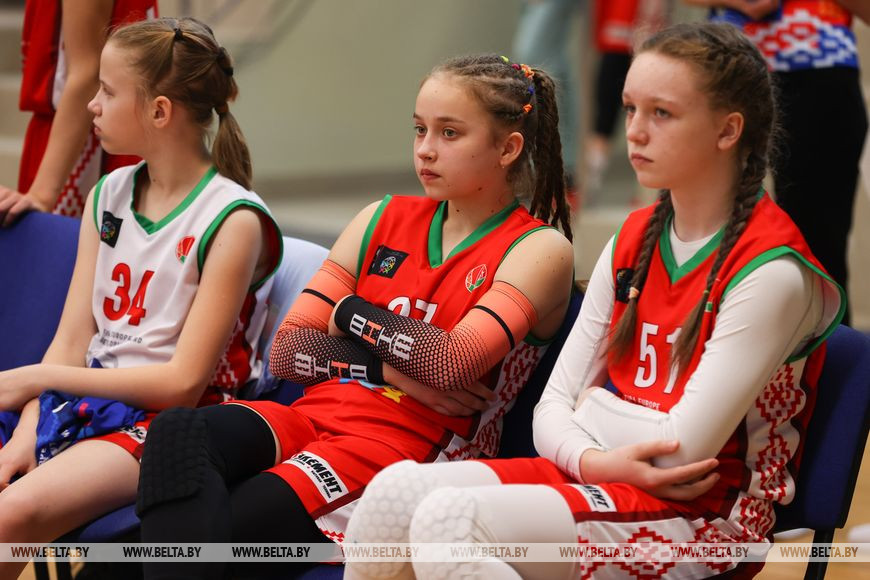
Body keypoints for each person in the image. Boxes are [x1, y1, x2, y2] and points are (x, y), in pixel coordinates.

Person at [344, 22, 844, 580]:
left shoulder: (771, 271)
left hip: (707, 521)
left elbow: (680, 453)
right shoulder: (632, 237)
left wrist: (593, 410)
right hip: (603, 475)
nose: (635, 131)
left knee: (452, 521)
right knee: (393, 495)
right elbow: (550, 410)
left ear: (728, 130)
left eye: (662, 113)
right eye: (630, 108)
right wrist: (597, 453)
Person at [135, 54, 576, 578]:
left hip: (409, 450)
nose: (425, 149)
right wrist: (385, 367)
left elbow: (450, 362)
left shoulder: (539, 248)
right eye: (419, 129)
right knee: (177, 432)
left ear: (508, 148)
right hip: (315, 415)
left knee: (208, 534)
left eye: (450, 133)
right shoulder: (381, 216)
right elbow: (288, 353)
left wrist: (347, 311)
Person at [0, 16, 280, 580]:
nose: (92, 105)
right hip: (83, 397)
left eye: (107, 91)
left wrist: (35, 380)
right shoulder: (109, 192)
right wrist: (27, 431)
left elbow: (181, 384)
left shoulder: (234, 219)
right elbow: (72, 340)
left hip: (173, 423)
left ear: (159, 111)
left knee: (8, 516)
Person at [687, 0, 869, 325]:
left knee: (819, 246)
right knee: (705, 229)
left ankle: (824, 353)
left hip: (821, 74)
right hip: (727, 70)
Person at [0, 0, 158, 226]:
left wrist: (42, 194)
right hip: (81, 131)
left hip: (85, 141)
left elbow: (87, 73)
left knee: (80, 244)